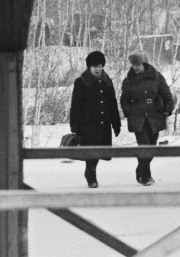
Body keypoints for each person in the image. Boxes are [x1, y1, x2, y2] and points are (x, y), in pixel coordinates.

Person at [120, 50, 174, 186]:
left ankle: (140, 169)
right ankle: (145, 176)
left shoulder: (157, 77)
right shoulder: (128, 80)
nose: (135, 67)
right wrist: (129, 113)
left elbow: (167, 95)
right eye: (133, 64)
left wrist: (167, 111)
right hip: (138, 118)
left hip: (155, 116)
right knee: (144, 146)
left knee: (152, 148)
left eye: (138, 64)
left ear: (144, 63)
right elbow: (124, 100)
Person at [69, 51, 121, 188]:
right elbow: (76, 105)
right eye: (94, 66)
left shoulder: (107, 81)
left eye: (99, 66)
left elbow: (112, 104)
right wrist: (74, 125)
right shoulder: (81, 82)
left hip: (104, 123)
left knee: (99, 150)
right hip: (87, 124)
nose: (97, 69)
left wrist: (116, 123)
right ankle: (90, 174)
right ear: (89, 67)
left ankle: (90, 171)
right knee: (91, 150)